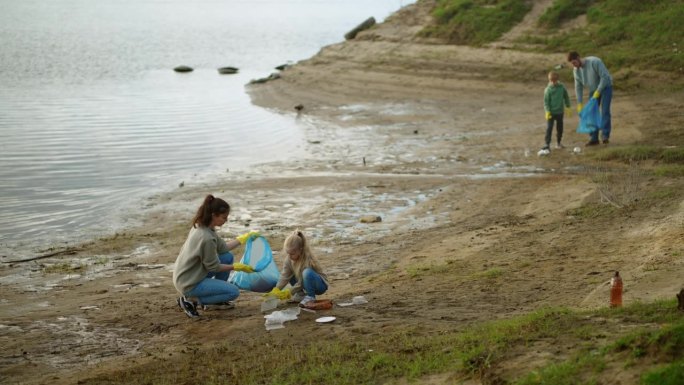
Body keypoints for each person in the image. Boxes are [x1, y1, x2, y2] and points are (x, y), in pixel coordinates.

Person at [172, 194, 258, 318]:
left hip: (188, 273)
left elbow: (223, 248)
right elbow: (214, 267)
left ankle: (214, 301)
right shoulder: (206, 237)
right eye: (224, 217)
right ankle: (190, 300)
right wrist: (236, 267)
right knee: (233, 292)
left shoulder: (203, 226)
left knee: (227, 257)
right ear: (214, 215)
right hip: (189, 282)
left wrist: (243, 239)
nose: (226, 220)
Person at [267, 229, 329, 306]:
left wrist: (289, 292)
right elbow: (284, 276)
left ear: (300, 250)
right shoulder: (289, 259)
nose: (289, 256)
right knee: (290, 274)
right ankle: (300, 295)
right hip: (303, 282)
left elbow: (302, 282)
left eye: (292, 254)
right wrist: (276, 289)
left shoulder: (307, 259)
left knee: (307, 272)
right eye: (288, 253)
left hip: (319, 285)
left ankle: (311, 297)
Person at [567, 51, 613, 146]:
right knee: (591, 112)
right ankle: (594, 138)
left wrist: (598, 91)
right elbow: (578, 87)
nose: (574, 65)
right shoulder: (576, 70)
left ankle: (605, 136)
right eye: (572, 64)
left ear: (579, 58)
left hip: (605, 87)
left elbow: (604, 77)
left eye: (574, 62)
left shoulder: (595, 62)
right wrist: (579, 103)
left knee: (605, 111)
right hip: (593, 89)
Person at [543, 71, 571, 150]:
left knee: (560, 128)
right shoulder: (548, 90)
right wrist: (547, 111)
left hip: (560, 112)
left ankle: (559, 143)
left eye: (554, 81)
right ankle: (547, 144)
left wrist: (568, 106)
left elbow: (566, 97)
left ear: (557, 80)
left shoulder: (562, 87)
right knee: (549, 128)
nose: (553, 82)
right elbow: (546, 102)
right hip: (551, 113)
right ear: (549, 80)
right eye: (551, 81)